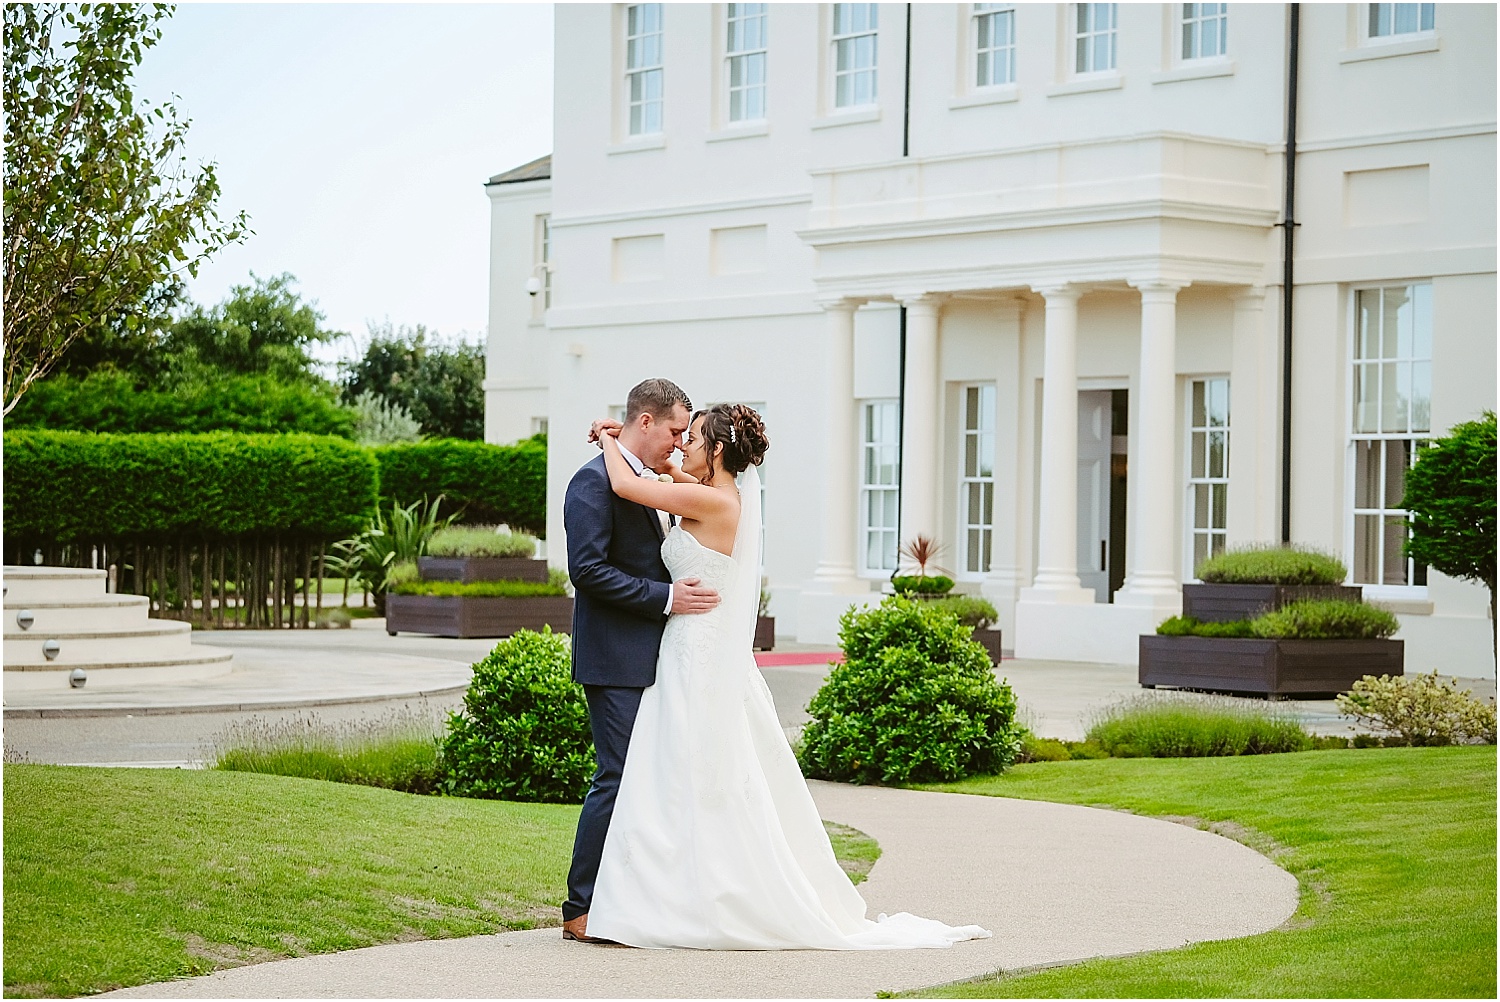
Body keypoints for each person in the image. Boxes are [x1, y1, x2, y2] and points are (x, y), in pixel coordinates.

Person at [583, 401, 993, 950]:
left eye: (696, 438)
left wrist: (607, 438)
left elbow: (631, 487)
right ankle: (668, 893)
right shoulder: (715, 495)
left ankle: (696, 895)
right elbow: (671, 477)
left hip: (696, 651)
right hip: (685, 647)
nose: (685, 446)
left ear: (719, 450)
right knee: (678, 774)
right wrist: (661, 458)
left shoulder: (710, 500)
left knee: (695, 772)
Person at [560, 378, 721, 943]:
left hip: (657, 658)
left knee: (649, 781)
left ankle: (632, 901)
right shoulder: (592, 480)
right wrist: (668, 599)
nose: (680, 444)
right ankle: (579, 907)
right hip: (614, 658)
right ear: (645, 421)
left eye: (688, 435)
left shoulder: (642, 479)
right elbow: (588, 571)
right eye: (676, 431)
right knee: (618, 777)